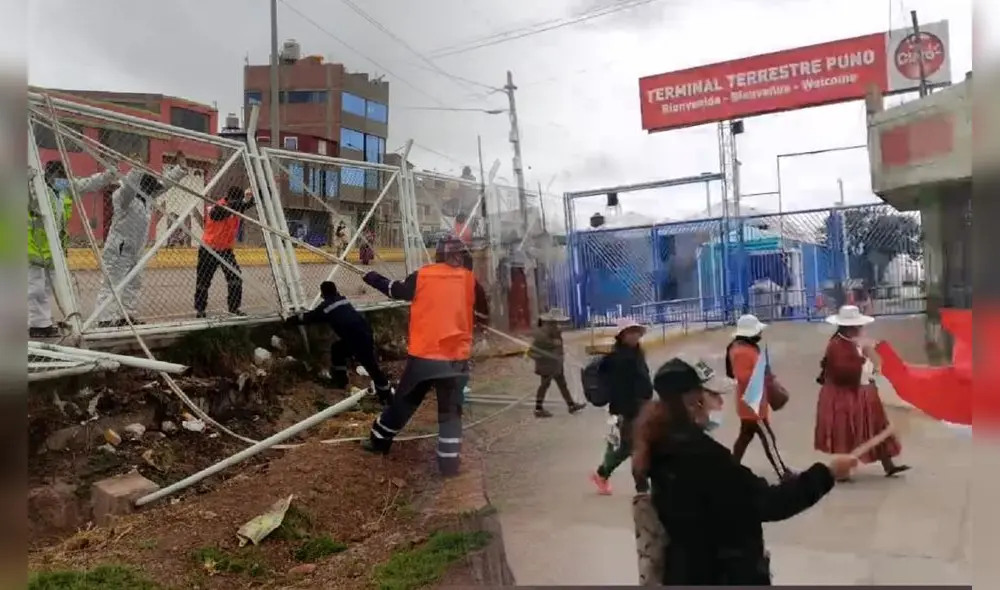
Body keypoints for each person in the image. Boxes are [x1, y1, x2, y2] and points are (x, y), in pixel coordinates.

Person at [631, 355, 857, 585]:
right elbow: (768, 502)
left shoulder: (658, 444)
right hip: (721, 572)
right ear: (691, 401)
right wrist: (827, 473)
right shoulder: (704, 456)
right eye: (713, 396)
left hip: (685, 570)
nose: (719, 403)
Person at [360, 236, 489, 476]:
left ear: (438, 254)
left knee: (404, 402)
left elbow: (394, 290)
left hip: (424, 358)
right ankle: (449, 465)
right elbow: (483, 314)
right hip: (455, 360)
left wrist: (372, 278)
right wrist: (479, 328)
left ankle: (379, 442)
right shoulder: (470, 280)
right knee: (450, 412)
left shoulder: (423, 275)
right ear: (460, 255)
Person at [814, 305, 910, 480]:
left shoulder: (854, 342)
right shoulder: (836, 345)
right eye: (857, 326)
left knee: (878, 426)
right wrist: (861, 362)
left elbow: (869, 361)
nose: (860, 329)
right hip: (844, 394)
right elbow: (841, 371)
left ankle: (888, 464)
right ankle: (842, 471)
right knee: (846, 432)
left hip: (864, 390)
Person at [95, 158, 189, 327]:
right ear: (142, 185)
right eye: (150, 187)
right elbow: (129, 188)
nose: (154, 190)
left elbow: (164, 184)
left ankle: (127, 315)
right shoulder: (123, 197)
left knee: (133, 282)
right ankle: (106, 318)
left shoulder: (147, 198)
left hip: (136, 248)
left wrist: (179, 170)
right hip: (120, 247)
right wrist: (136, 171)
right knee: (113, 282)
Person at [29, 160, 117, 337]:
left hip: (53, 248)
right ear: (48, 174)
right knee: (34, 288)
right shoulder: (35, 187)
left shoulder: (61, 187)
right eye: (57, 175)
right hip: (33, 245)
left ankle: (42, 323)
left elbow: (86, 184)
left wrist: (107, 176)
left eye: (62, 175)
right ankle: (37, 324)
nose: (60, 179)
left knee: (46, 287)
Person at [284, 281, 393, 404]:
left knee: (371, 366)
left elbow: (309, 317)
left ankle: (386, 395)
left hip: (356, 339)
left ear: (323, 294)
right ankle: (341, 381)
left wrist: (290, 320)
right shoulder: (342, 300)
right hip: (363, 334)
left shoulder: (327, 307)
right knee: (338, 350)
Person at [726, 314, 794, 480]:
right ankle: (782, 473)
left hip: (751, 403)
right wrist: (763, 375)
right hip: (752, 404)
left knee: (744, 438)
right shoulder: (742, 351)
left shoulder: (742, 348)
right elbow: (742, 377)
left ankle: (729, 470)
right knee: (769, 440)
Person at [590, 318, 653, 495]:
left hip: (641, 405)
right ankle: (642, 489)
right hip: (626, 409)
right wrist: (621, 413)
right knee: (636, 447)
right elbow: (617, 388)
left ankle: (601, 474)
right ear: (622, 336)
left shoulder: (638, 353)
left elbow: (643, 379)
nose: (634, 336)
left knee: (628, 447)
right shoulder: (617, 359)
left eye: (636, 332)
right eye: (630, 332)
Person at [194, 186, 254, 318]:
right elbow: (221, 213)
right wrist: (243, 201)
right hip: (209, 249)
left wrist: (258, 191)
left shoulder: (237, 207)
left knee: (235, 277)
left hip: (226, 250)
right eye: (238, 202)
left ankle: (234, 308)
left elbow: (249, 203)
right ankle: (200, 309)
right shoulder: (219, 207)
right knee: (204, 280)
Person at [529, 308, 587, 418]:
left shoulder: (553, 330)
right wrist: (552, 346)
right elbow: (535, 350)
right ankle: (538, 409)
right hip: (547, 365)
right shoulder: (543, 333)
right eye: (557, 321)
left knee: (562, 384)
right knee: (544, 385)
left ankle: (571, 405)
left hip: (555, 364)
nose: (559, 324)